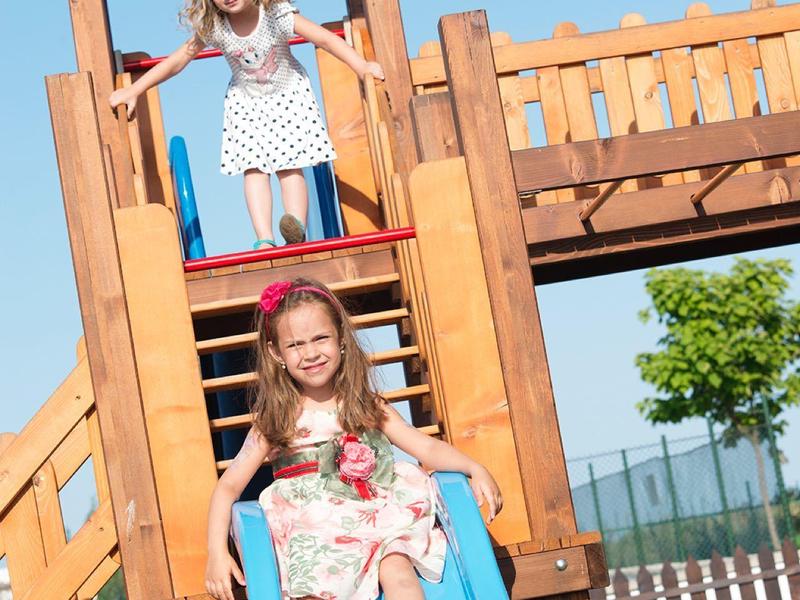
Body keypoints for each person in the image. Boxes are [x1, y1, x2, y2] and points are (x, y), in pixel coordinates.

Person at [204, 277, 503, 600]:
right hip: (314, 531)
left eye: (321, 339)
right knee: (311, 589)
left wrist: (474, 467)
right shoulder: (275, 418)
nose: (311, 353)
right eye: (296, 345)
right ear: (276, 353)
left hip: (375, 516)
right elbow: (229, 486)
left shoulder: (365, 404)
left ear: (341, 339)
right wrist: (217, 553)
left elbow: (424, 446)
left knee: (399, 572)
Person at [109, 0, 384, 249]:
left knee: (289, 166)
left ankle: (295, 229)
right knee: (253, 169)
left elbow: (325, 39)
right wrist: (135, 90)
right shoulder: (215, 26)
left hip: (287, 95)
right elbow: (178, 61)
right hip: (247, 103)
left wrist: (361, 67)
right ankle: (264, 238)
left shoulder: (275, 14)